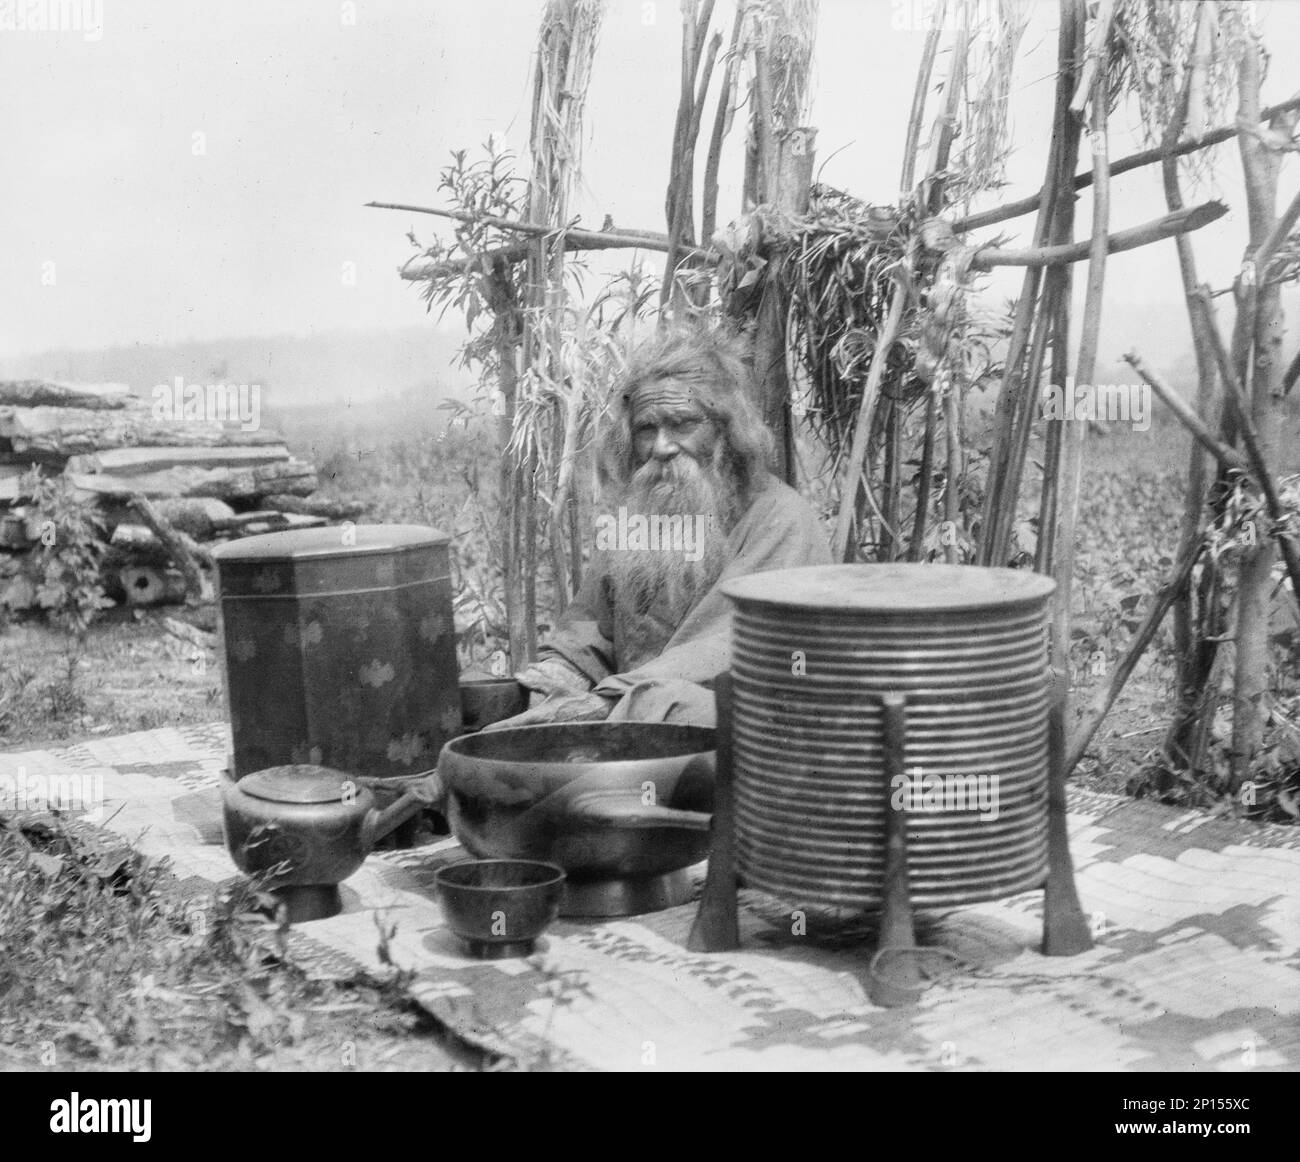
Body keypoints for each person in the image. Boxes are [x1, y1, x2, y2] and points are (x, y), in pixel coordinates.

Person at [488, 326, 832, 731]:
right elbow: (586, 635)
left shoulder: (780, 519)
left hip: (741, 739)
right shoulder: (638, 520)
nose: (662, 447)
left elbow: (735, 650)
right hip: (633, 725)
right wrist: (551, 685)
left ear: (726, 429)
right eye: (647, 429)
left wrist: (604, 704)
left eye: (683, 423)